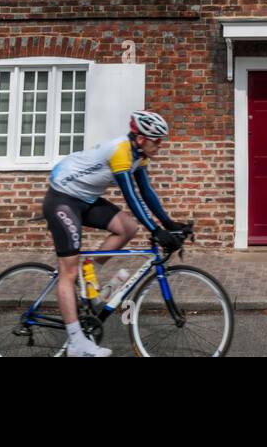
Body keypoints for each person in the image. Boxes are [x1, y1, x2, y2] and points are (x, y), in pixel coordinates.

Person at [42, 110, 187, 357]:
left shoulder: (138, 156)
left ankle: (89, 277)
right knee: (68, 270)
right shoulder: (120, 151)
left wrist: (170, 223)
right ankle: (77, 343)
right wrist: (156, 231)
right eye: (157, 140)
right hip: (62, 199)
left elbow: (147, 193)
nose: (161, 145)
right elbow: (131, 197)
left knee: (127, 228)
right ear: (141, 139)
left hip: (85, 198)